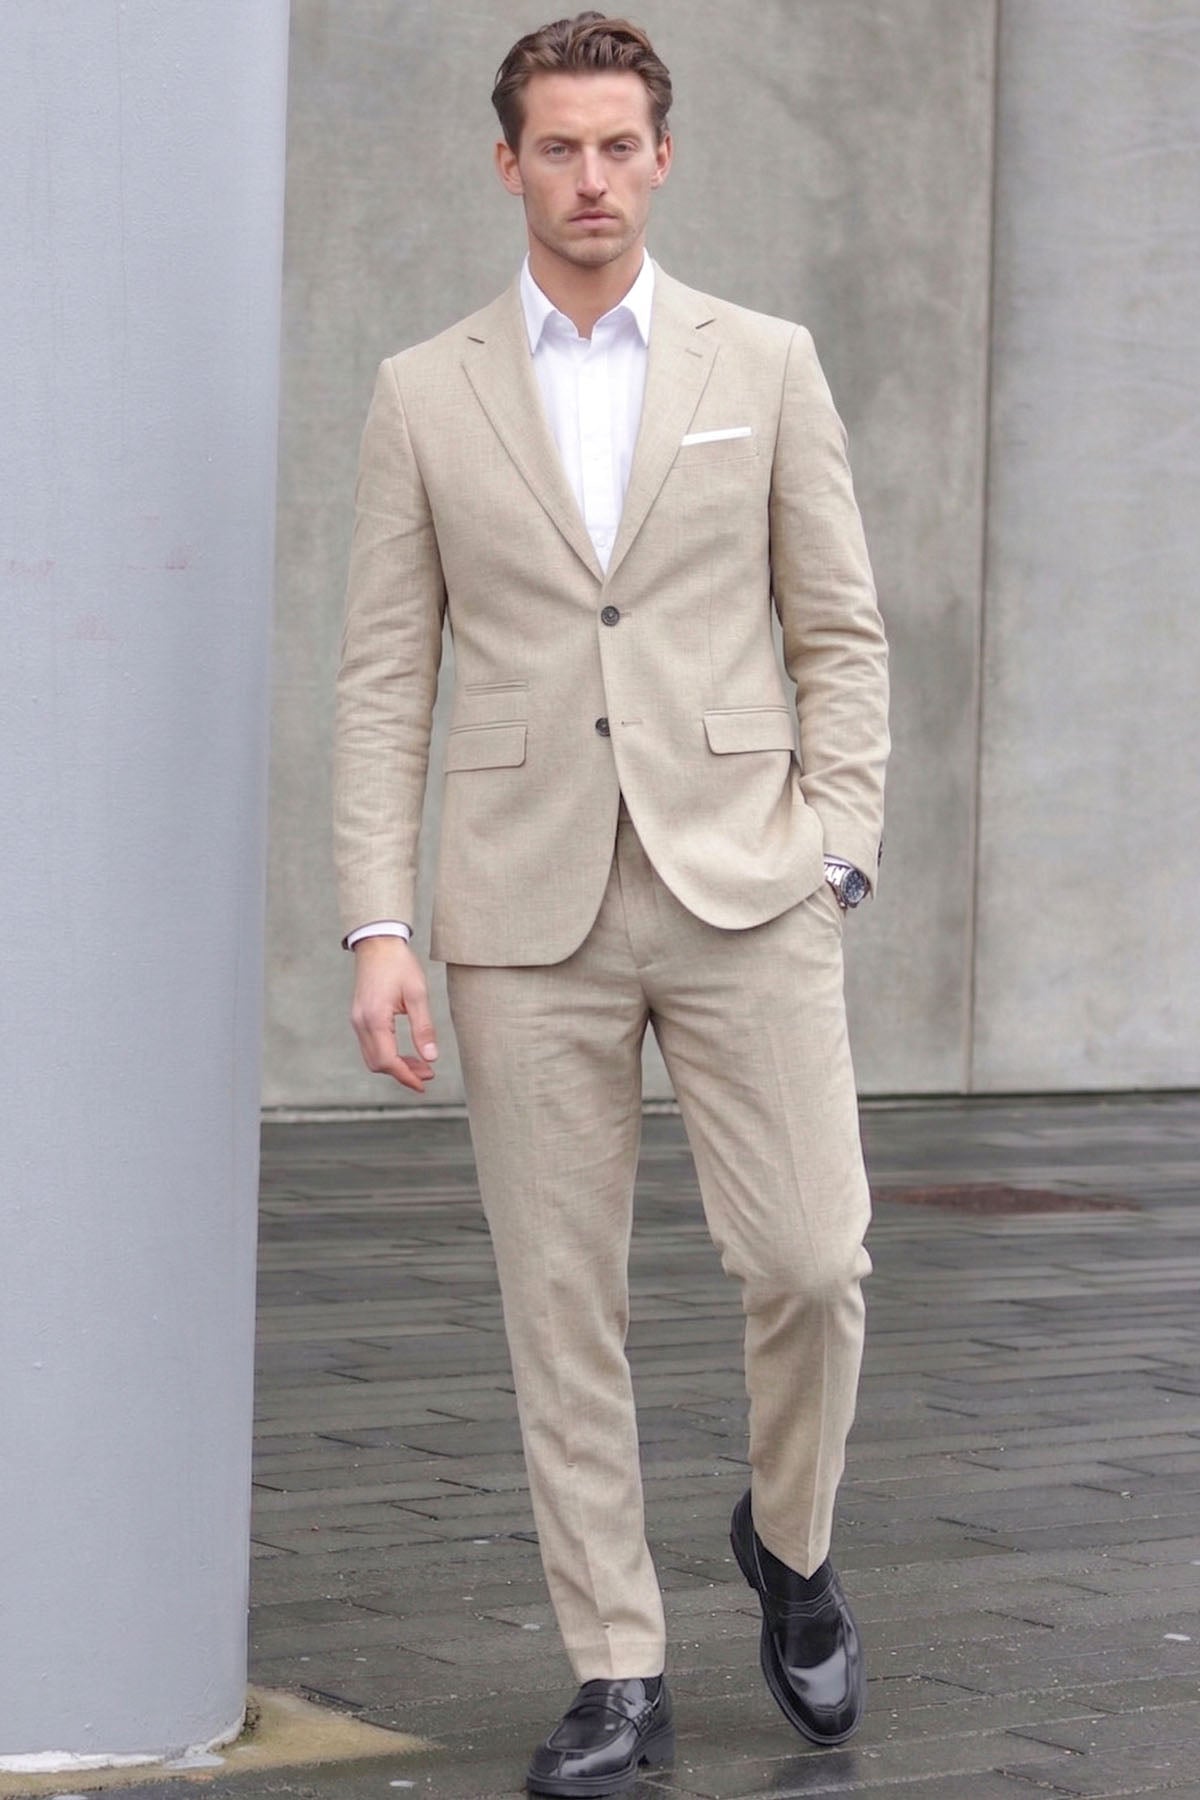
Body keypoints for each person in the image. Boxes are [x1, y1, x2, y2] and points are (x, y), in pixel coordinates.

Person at [333, 13, 889, 1795]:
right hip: (522, 903)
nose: (591, 178)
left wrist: (838, 845)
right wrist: (377, 923)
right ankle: (617, 1668)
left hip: (747, 880)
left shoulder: (767, 362)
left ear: (664, 156)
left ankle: (791, 1544)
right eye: (558, 148)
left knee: (811, 1258)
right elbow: (383, 678)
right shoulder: (424, 391)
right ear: (509, 164)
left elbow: (840, 628)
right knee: (560, 1299)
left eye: (619, 146)